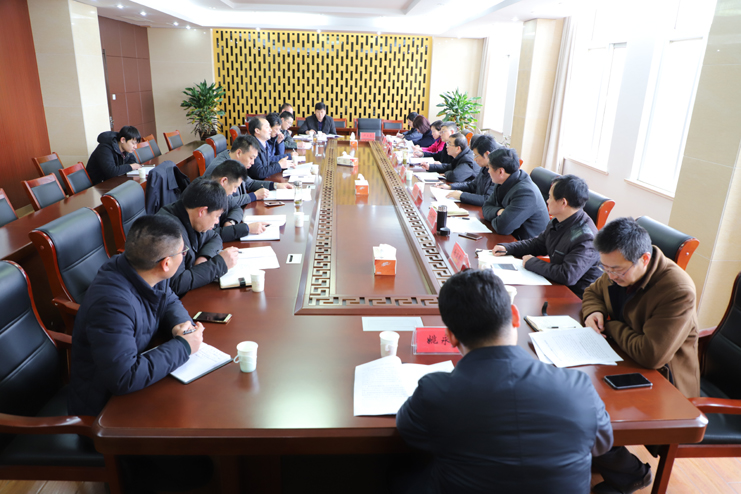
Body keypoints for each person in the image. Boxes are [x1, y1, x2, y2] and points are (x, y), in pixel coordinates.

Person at [394, 269, 613, 494]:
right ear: (515, 315)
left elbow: (409, 432)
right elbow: (602, 444)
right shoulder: (578, 387)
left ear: (451, 336)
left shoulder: (435, 392)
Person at [582, 217, 700, 494]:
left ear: (644, 259)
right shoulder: (620, 265)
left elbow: (651, 355)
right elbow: (592, 291)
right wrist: (593, 312)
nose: (610, 275)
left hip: (665, 383)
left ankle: (632, 474)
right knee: (573, 398)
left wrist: (609, 324)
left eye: (616, 270)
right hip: (624, 359)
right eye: (605, 268)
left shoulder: (677, 290)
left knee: (585, 414)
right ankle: (604, 454)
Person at [68, 214, 203, 417]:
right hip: (105, 409)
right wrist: (184, 347)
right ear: (166, 263)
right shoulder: (111, 305)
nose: (185, 256)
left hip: (140, 374)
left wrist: (180, 324)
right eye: (183, 252)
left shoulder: (142, 267)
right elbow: (124, 377)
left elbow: (168, 299)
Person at [492, 174, 602, 298]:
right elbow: (538, 244)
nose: (547, 201)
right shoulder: (559, 220)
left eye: (550, 197)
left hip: (576, 298)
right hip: (555, 285)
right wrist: (508, 248)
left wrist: (531, 262)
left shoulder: (586, 238)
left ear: (563, 202)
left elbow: (567, 275)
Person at [156, 179, 238, 297]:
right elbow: (177, 283)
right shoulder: (169, 231)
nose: (217, 222)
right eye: (216, 216)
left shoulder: (190, 216)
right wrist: (220, 264)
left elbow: (214, 237)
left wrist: (203, 258)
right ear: (202, 211)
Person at [205, 135, 293, 207]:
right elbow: (226, 202)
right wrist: (254, 196)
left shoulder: (234, 162)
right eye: (251, 158)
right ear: (239, 153)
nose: (253, 162)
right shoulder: (221, 168)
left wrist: (276, 185)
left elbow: (250, 183)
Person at [482, 148, 549, 239]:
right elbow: (486, 207)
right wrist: (499, 211)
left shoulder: (526, 192)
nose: (488, 171)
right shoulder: (503, 181)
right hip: (510, 238)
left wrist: (497, 215)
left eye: (489, 168)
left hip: (525, 243)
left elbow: (502, 227)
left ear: (501, 171)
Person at [203, 160, 267, 242]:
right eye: (235, 187)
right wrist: (246, 228)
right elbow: (209, 235)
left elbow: (236, 207)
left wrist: (230, 221)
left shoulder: (221, 191)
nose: (234, 191)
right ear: (224, 181)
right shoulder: (205, 196)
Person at [434, 134, 498, 207]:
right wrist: (450, 187)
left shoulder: (497, 173)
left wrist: (461, 195)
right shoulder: (485, 167)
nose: (474, 159)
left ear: (487, 154)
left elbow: (487, 199)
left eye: (476, 155)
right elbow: (472, 185)